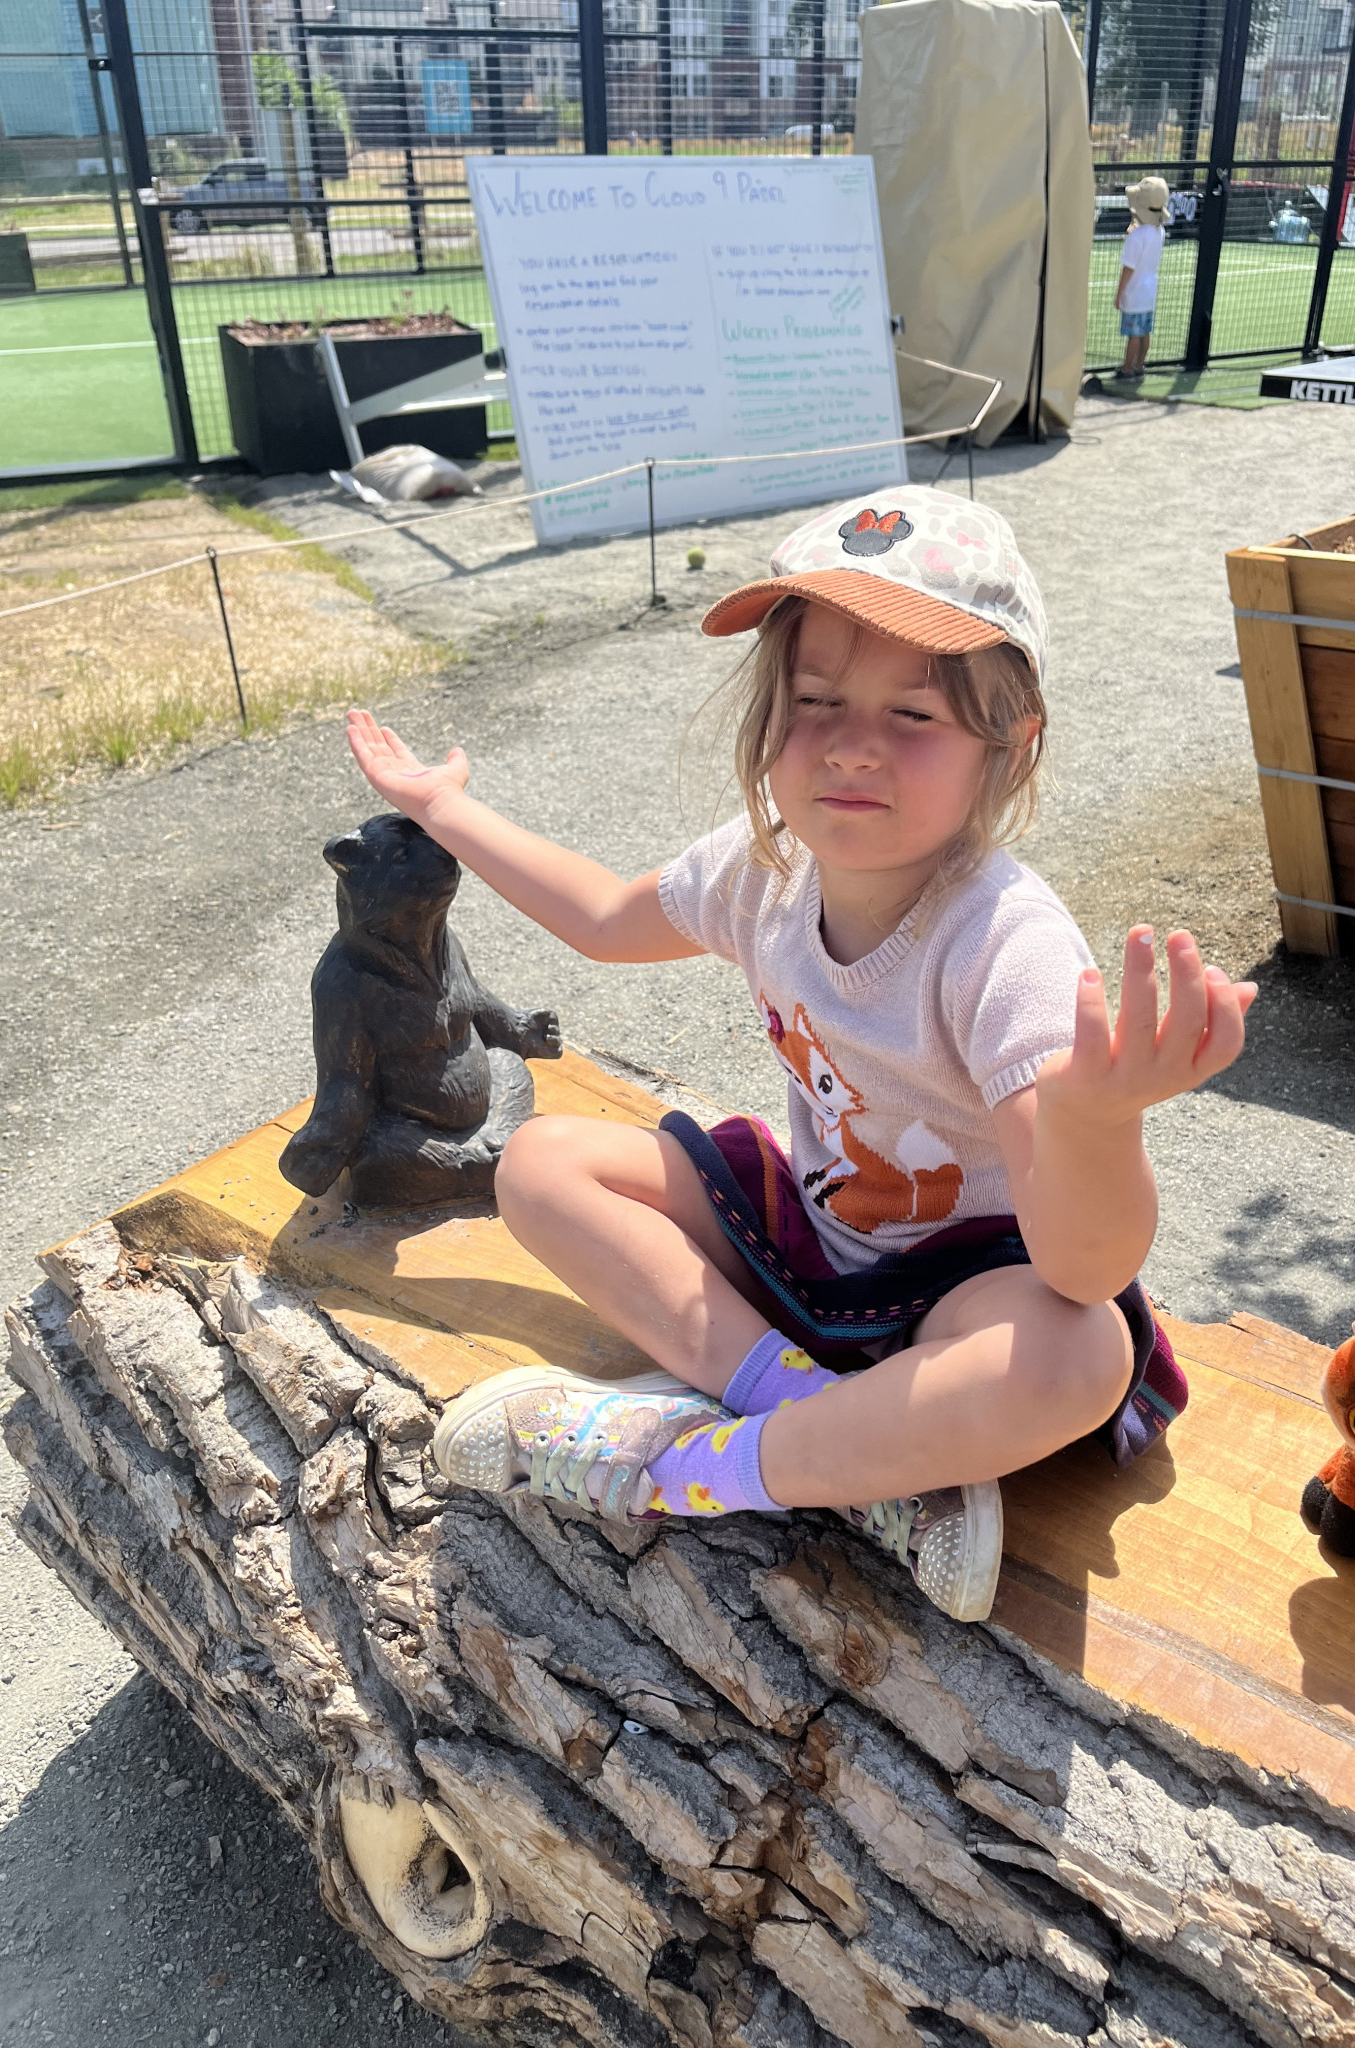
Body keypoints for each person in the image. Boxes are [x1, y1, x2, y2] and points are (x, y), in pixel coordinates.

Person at [344, 484, 1255, 1624]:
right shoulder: (764, 867)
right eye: (815, 699)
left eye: (914, 714)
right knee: (538, 1164)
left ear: (1009, 744)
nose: (852, 746)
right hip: (812, 1245)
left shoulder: (1004, 942)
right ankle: (844, 1440)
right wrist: (445, 808)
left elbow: (1079, 1268)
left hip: (964, 1295)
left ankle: (690, 1464)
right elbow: (605, 916)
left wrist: (1098, 1120)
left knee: (1076, 1355)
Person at [1115, 175, 1169, 379]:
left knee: (1134, 334)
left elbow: (1128, 268)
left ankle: (1127, 368)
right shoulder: (1159, 230)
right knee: (1145, 330)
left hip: (1135, 291)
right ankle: (1139, 365)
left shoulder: (1136, 237)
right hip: (1149, 290)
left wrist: (1119, 294)